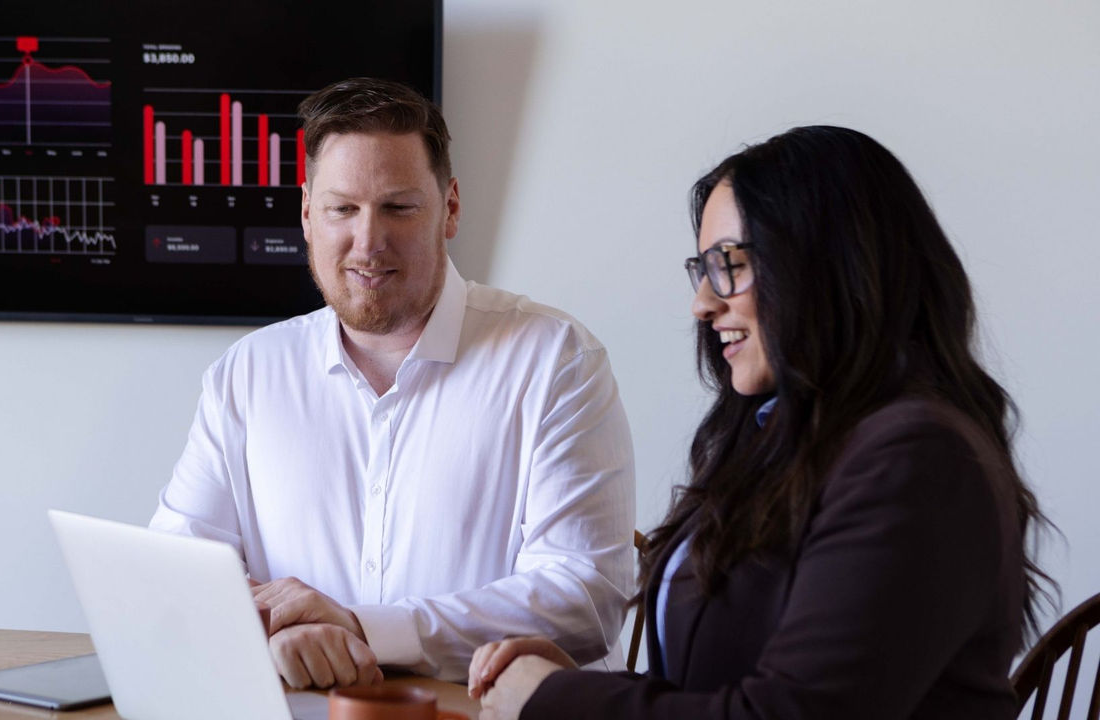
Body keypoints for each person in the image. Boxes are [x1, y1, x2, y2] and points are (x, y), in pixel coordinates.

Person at [468, 125, 1052, 720]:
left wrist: (553, 699)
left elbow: (790, 713)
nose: (703, 302)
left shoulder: (918, 457)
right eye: (702, 267)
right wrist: (577, 684)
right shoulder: (781, 438)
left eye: (730, 264)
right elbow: (727, 679)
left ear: (830, 263)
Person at [148, 77, 636, 689]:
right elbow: (172, 573)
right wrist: (274, 622)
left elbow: (585, 598)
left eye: (399, 207)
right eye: (342, 208)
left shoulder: (557, 360)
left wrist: (362, 627)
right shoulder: (247, 374)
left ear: (451, 208)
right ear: (306, 214)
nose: (368, 241)